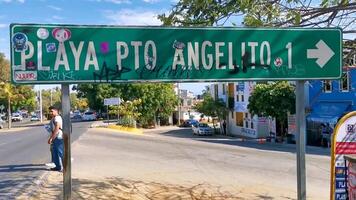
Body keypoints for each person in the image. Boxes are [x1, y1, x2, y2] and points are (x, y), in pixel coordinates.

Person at [48, 106, 64, 172]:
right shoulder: (53, 118)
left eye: (52, 111)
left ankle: (65, 167)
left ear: (56, 111)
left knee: (61, 152)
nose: (50, 113)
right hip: (55, 137)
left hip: (58, 137)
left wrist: (52, 138)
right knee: (55, 152)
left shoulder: (57, 117)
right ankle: (57, 166)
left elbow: (57, 127)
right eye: (50, 111)